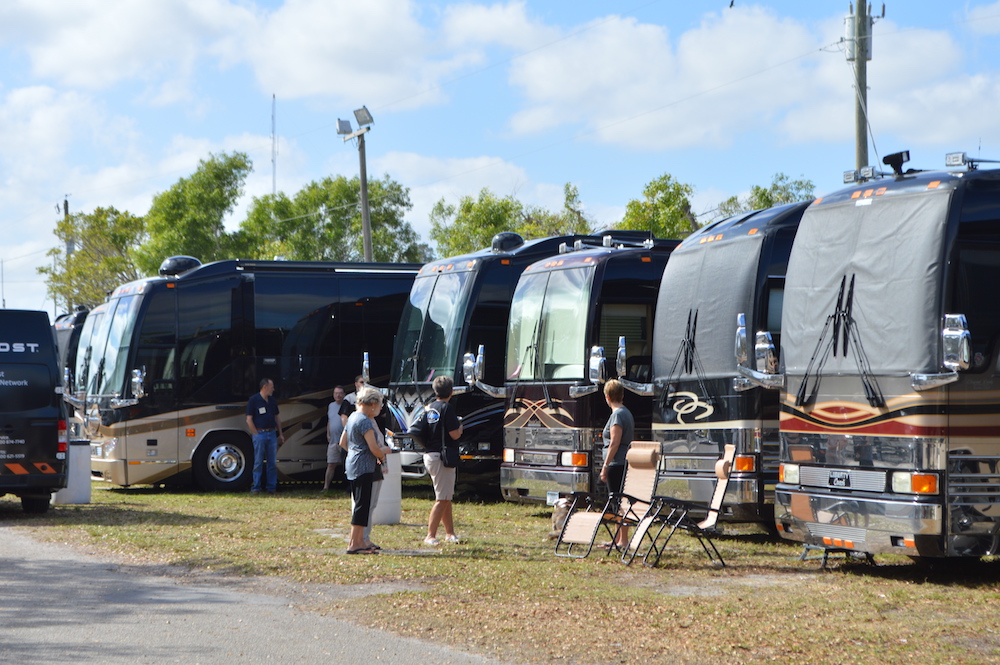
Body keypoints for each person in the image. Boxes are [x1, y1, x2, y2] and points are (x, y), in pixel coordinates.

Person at [340, 386, 391, 554]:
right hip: (364, 467)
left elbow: (342, 443)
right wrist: (383, 454)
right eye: (380, 404)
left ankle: (360, 540)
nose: (380, 408)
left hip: (352, 464)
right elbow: (374, 448)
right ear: (372, 404)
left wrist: (356, 452)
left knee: (360, 504)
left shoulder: (353, 417)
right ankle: (354, 544)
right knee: (362, 506)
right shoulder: (364, 421)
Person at [422, 374, 463, 546]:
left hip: (430, 454)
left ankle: (450, 533)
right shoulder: (447, 409)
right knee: (442, 499)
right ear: (451, 392)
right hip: (442, 457)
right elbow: (454, 434)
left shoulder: (429, 407)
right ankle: (430, 535)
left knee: (446, 496)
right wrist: (460, 427)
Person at [599, 378, 634, 549]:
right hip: (622, 462)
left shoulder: (617, 415)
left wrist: (605, 465)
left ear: (607, 397)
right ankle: (619, 539)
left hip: (616, 463)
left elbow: (614, 442)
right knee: (618, 502)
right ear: (622, 395)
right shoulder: (626, 412)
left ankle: (623, 540)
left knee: (617, 502)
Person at [245, 378, 284, 494]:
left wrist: (280, 433)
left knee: (272, 462)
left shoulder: (272, 400)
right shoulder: (254, 400)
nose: (273, 389)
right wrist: (255, 433)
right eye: (272, 386)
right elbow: (249, 419)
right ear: (265, 387)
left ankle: (271, 488)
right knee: (258, 461)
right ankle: (256, 487)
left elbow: (277, 417)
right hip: (260, 433)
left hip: (271, 433)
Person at [322, 385, 348, 491]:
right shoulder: (331, 406)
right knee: (331, 464)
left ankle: (347, 488)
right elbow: (330, 421)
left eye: (340, 393)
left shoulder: (347, 405)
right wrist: (328, 434)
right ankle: (326, 487)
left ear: (344, 395)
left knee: (346, 466)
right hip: (332, 441)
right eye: (336, 393)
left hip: (345, 441)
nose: (338, 395)